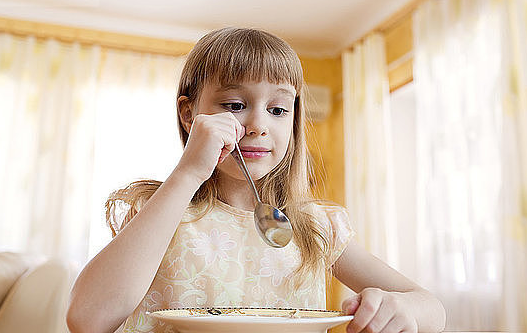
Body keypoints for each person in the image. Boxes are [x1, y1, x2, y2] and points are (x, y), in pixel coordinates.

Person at [67, 27, 446, 333]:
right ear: (189, 114)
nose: (258, 126)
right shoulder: (161, 211)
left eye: (277, 109)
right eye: (235, 105)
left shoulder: (315, 227)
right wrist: (187, 173)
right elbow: (88, 319)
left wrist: (400, 308)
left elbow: (433, 310)